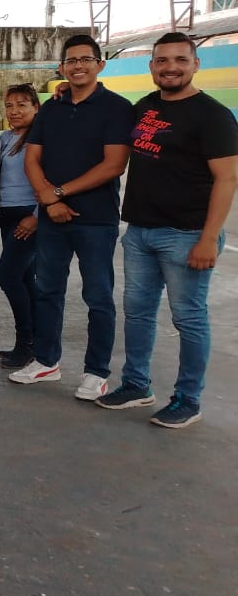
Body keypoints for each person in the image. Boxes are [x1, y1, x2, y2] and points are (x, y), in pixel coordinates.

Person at [96, 32, 238, 428]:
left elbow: (227, 179)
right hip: (141, 231)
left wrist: (208, 238)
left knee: (188, 318)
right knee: (138, 313)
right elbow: (106, 112)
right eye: (162, 60)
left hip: (187, 234)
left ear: (195, 64)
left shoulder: (212, 115)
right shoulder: (145, 107)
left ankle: (188, 399)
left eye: (180, 60)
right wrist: (61, 94)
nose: (170, 67)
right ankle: (136, 385)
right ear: (152, 66)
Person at [12, 35, 134, 399]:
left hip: (96, 219)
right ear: (62, 67)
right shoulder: (52, 108)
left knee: (98, 296)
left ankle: (96, 372)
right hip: (53, 218)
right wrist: (49, 201)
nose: (78, 66)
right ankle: (46, 361)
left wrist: (59, 192)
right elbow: (32, 158)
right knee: (48, 290)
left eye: (85, 59)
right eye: (71, 60)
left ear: (100, 64)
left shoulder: (117, 107)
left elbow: (114, 165)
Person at [0, 84, 41, 370]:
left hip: (28, 215)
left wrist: (36, 216)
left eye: (22, 105)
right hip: (8, 214)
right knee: (25, 279)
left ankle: (26, 344)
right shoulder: (5, 138)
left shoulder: (42, 138)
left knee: (8, 277)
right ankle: (34, 342)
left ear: (36, 107)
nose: (14, 111)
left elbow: (52, 179)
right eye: (9, 106)